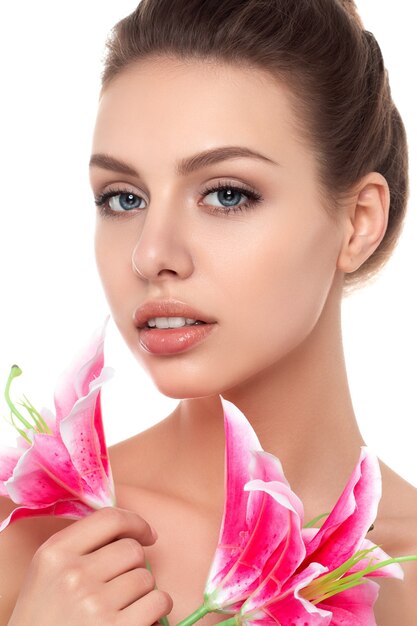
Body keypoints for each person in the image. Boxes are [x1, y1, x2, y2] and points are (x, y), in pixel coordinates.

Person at [1, 0, 416, 624]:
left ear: (358, 223)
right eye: (123, 198)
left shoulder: (400, 571)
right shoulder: (33, 539)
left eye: (226, 194)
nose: (150, 254)